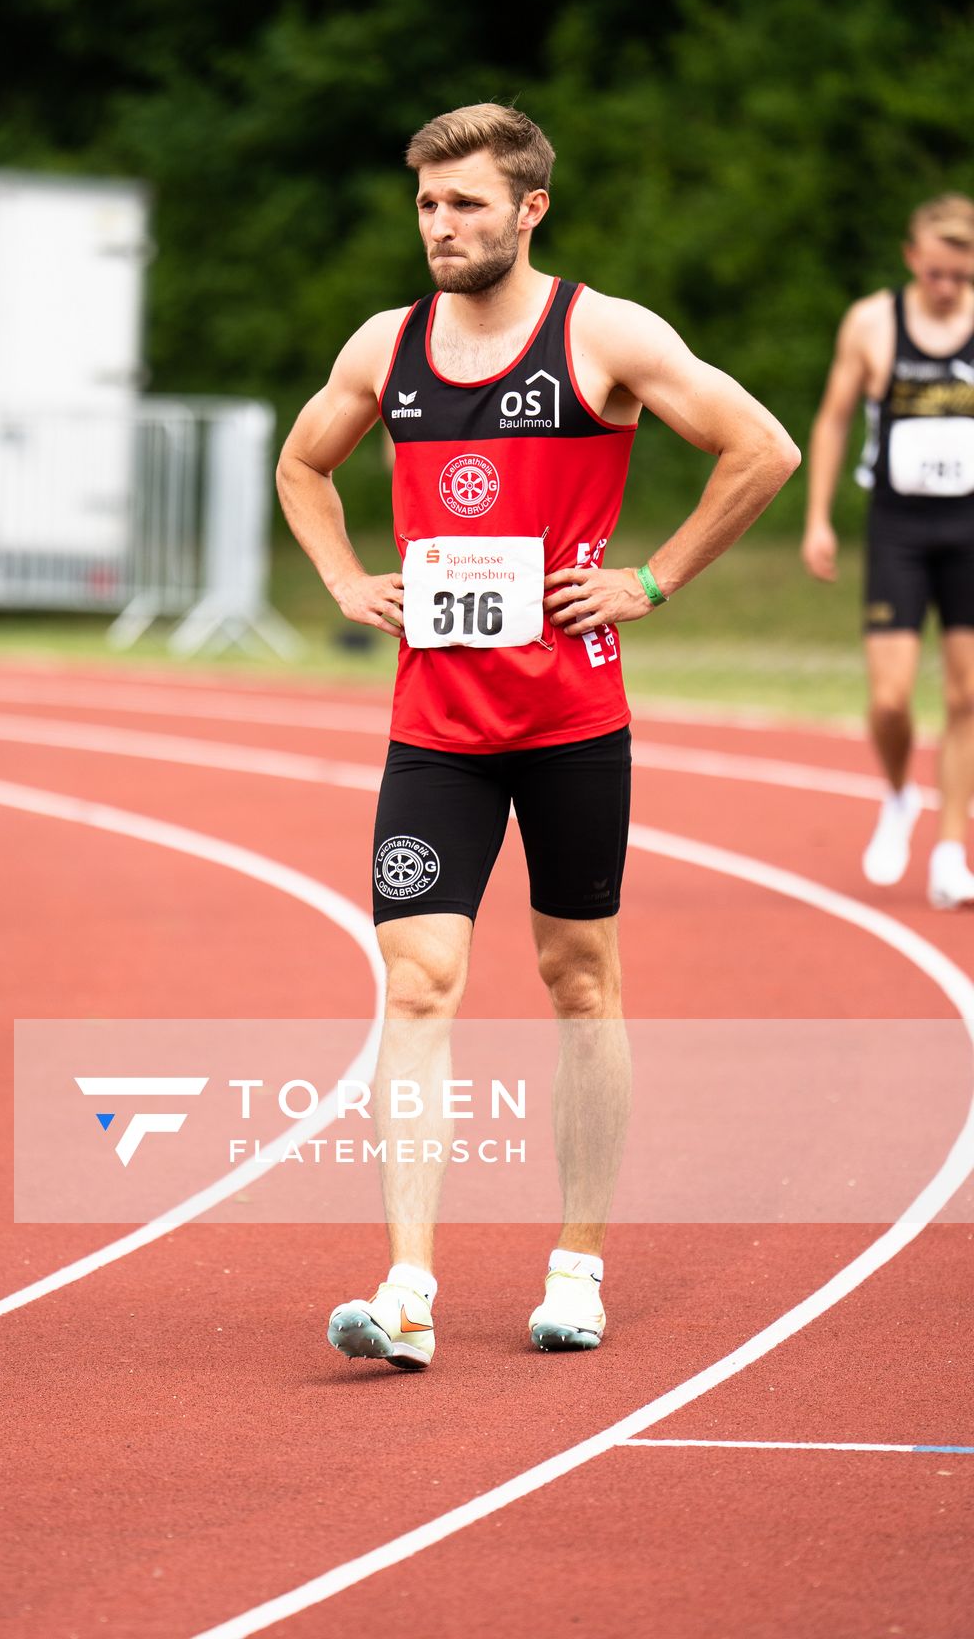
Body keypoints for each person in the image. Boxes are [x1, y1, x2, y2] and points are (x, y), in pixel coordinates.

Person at [276, 103, 799, 1371]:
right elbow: (304, 466)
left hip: (569, 721)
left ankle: (577, 1266)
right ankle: (405, 1290)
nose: (439, 226)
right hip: (435, 731)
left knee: (578, 980)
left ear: (529, 210)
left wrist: (651, 580)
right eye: (424, 205)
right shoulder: (384, 345)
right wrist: (346, 581)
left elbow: (760, 449)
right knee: (415, 983)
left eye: (464, 203)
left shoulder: (601, 335)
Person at [802, 194, 974, 907]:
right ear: (912, 260)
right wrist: (817, 518)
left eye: (960, 277)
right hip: (899, 527)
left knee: (968, 695)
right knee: (892, 698)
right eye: (935, 273)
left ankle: (950, 850)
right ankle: (901, 792)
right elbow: (834, 419)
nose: (946, 288)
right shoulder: (873, 323)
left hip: (971, 526)